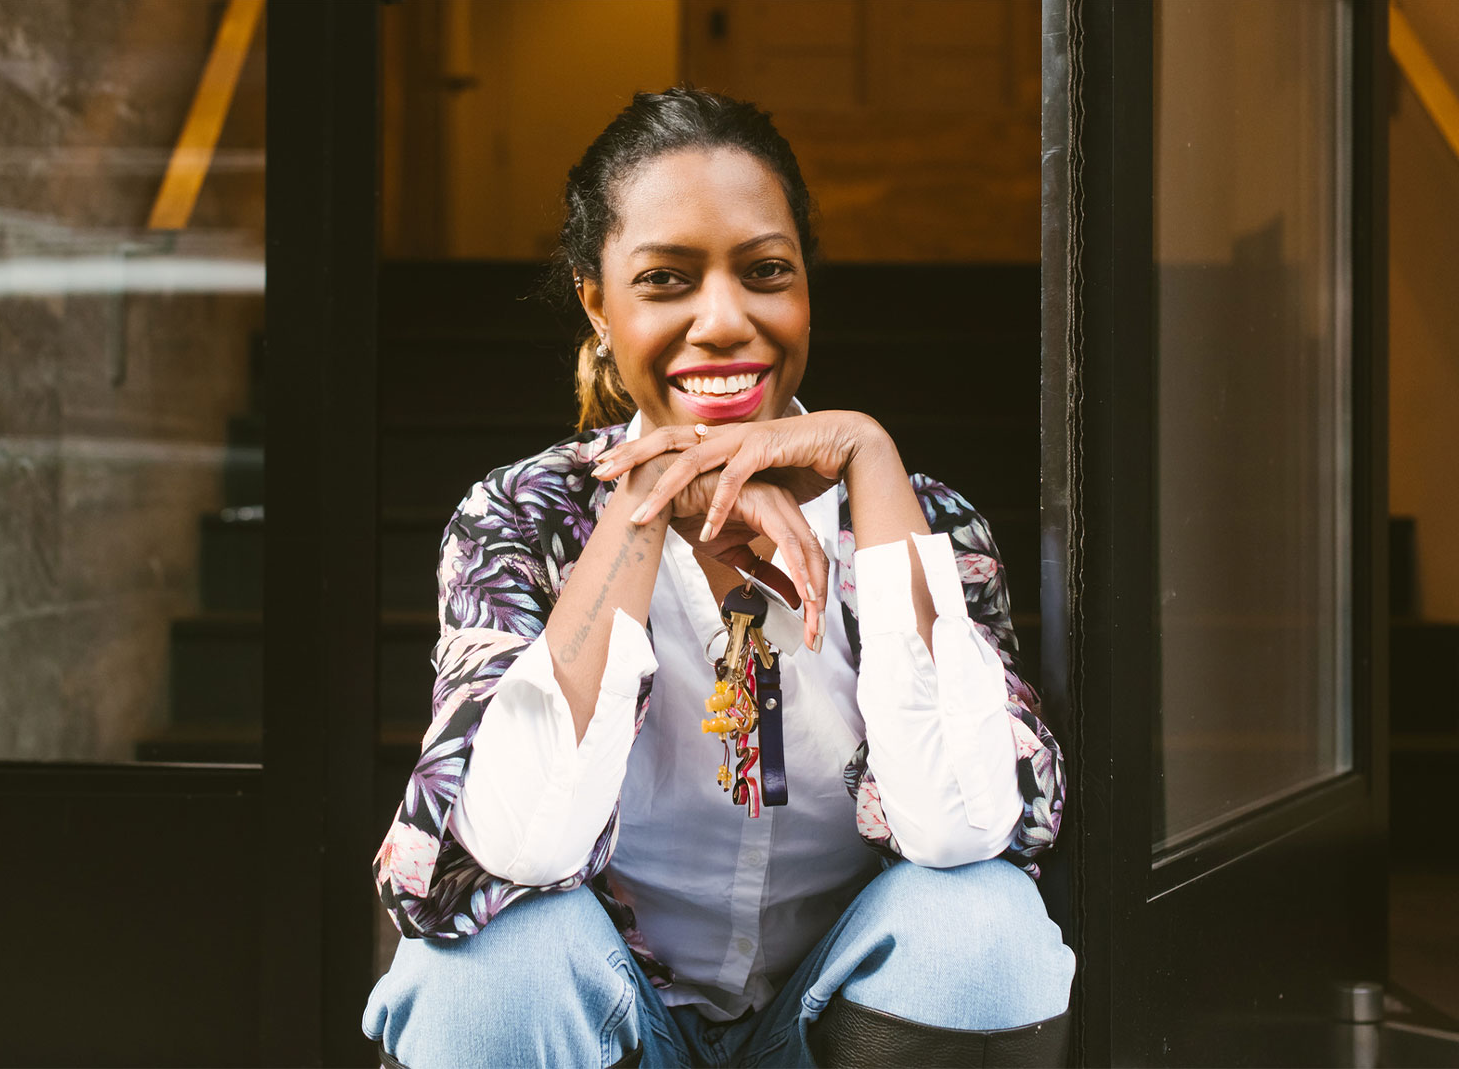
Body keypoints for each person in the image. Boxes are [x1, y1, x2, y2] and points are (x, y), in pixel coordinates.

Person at [362, 87, 1072, 1069]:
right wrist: (645, 502)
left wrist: (868, 456)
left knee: (982, 929)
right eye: (666, 279)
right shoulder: (522, 519)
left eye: (765, 272)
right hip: (610, 1015)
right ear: (595, 301)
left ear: (805, 289)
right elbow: (510, 846)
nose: (724, 320)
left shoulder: (923, 521)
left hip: (829, 1016)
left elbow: (962, 829)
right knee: (490, 971)